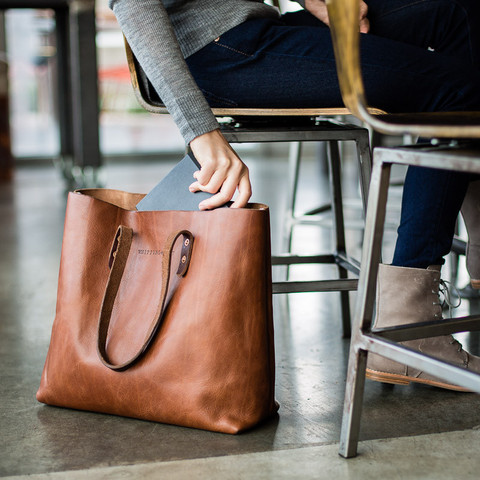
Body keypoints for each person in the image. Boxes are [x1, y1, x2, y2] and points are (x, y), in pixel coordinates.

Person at [109, 0, 480, 390]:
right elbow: (135, 6)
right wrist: (201, 133)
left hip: (254, 32)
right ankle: (410, 322)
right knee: (460, 91)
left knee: (458, 10)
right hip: (210, 53)